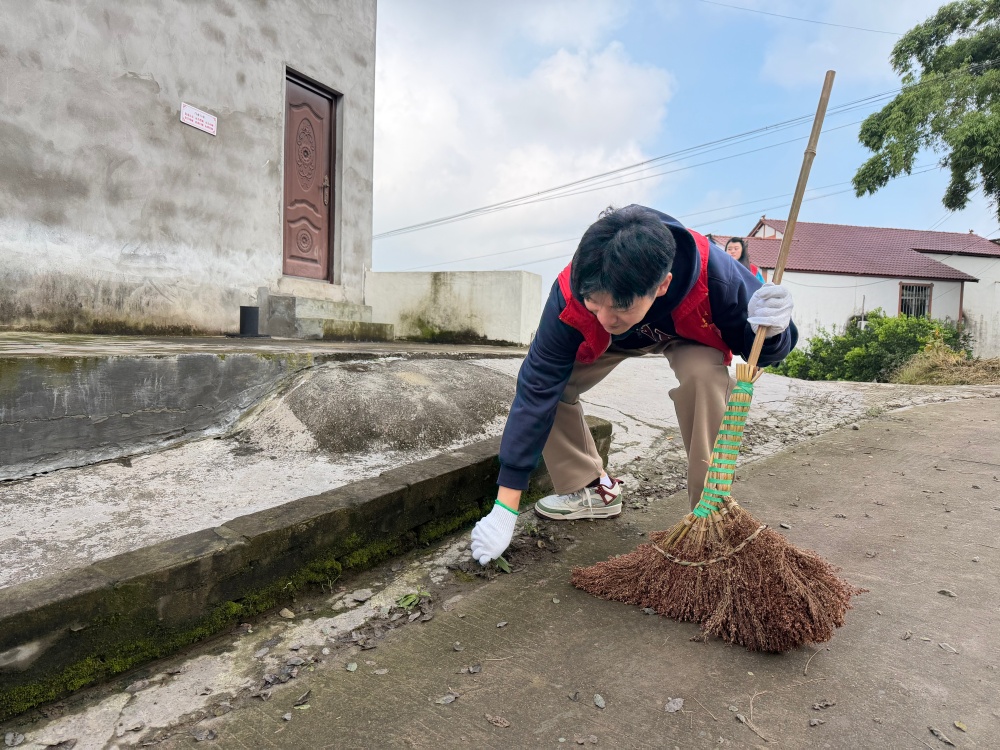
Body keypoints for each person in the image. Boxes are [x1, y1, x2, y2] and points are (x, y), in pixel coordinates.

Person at [470, 205, 797, 566]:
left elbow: (764, 350)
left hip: (690, 336)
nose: (606, 316)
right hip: (613, 342)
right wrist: (505, 506)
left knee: (703, 378)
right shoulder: (572, 292)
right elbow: (537, 384)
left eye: (620, 306)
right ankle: (592, 489)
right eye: (594, 303)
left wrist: (775, 331)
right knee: (554, 387)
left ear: (663, 284)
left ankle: (709, 516)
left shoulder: (718, 277)